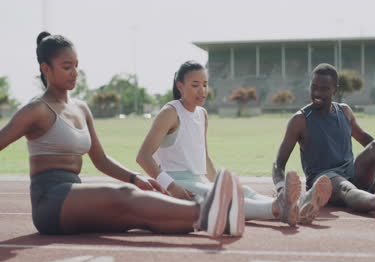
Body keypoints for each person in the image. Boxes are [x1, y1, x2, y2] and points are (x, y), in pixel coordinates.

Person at [0, 31, 243, 238]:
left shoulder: (81, 108)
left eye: (76, 65)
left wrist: (136, 178)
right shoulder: (36, 110)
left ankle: (209, 222)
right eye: (66, 67)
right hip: (50, 201)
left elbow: (101, 160)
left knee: (134, 214)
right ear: (46, 69)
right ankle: (207, 210)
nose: (74, 72)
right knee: (122, 196)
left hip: (73, 194)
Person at [137, 60, 329, 227]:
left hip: (198, 180)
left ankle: (297, 206)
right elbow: (143, 157)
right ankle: (277, 209)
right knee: (226, 199)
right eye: (195, 85)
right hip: (177, 183)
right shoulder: (170, 113)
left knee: (241, 190)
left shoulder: (201, 114)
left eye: (205, 84)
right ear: (180, 86)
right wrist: (171, 186)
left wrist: (219, 182)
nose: (202, 90)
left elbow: (203, 156)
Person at [272, 63, 375, 221]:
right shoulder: (300, 120)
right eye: (314, 87)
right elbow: (278, 164)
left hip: (352, 171)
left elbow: (366, 139)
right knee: (346, 187)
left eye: (324, 89)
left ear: (335, 90)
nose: (317, 93)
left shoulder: (344, 111)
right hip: (325, 179)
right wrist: (281, 189)